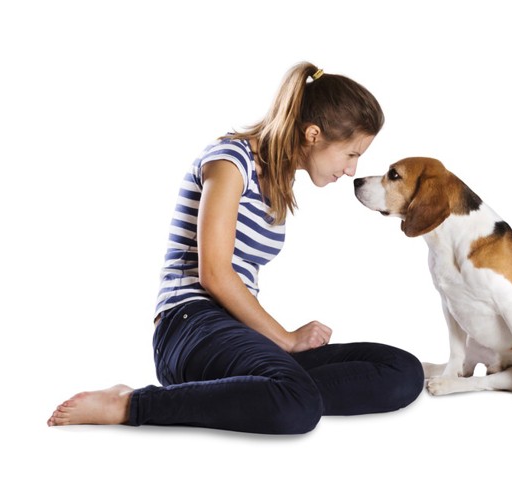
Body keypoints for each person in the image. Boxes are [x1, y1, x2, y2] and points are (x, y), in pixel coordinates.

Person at [47, 62, 424, 434]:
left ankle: (254, 396)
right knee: (297, 404)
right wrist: (287, 339)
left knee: (402, 371)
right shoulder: (230, 162)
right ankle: (130, 403)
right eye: (351, 154)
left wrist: (278, 346)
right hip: (189, 325)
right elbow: (214, 274)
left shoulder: (278, 180)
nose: (350, 170)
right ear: (312, 134)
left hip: (237, 330)